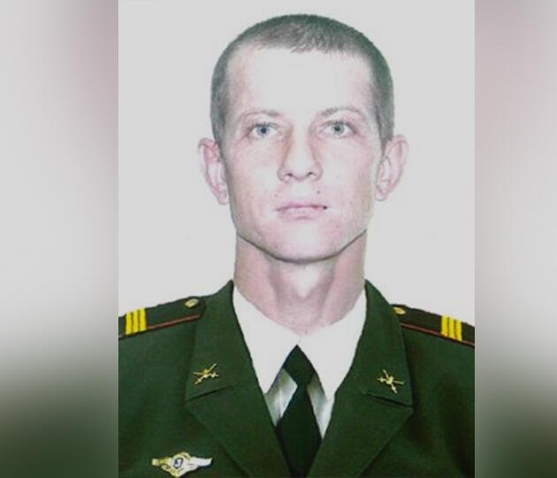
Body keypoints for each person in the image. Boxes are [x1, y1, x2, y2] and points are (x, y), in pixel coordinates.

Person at [119, 14, 473, 477]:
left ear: (387, 166)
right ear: (217, 169)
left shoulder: (475, 390)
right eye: (264, 129)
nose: (300, 163)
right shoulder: (116, 382)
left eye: (337, 127)